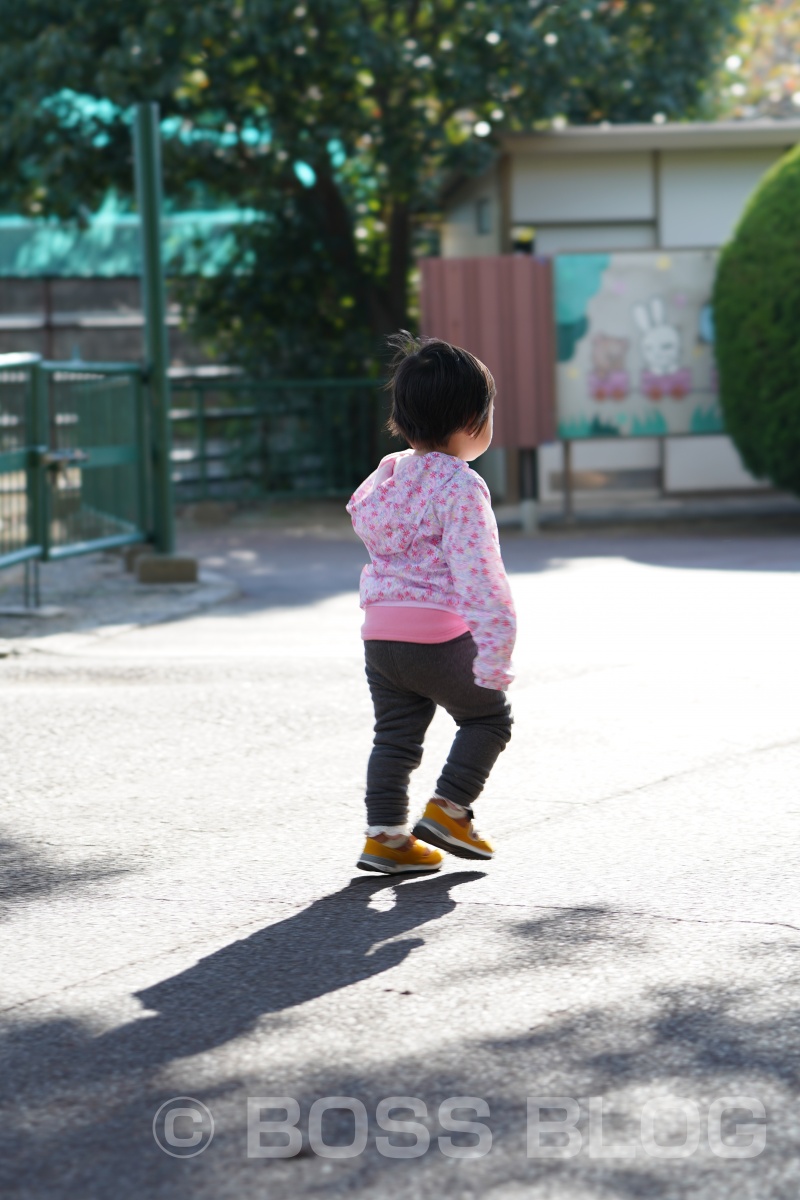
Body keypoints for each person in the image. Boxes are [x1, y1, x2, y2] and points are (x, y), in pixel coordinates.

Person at [346, 333, 515, 875]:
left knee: (394, 736)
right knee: (488, 718)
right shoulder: (462, 487)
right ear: (472, 422)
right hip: (439, 638)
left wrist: (393, 462)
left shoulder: (388, 480)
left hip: (381, 639)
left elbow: (357, 508)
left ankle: (385, 837)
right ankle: (450, 808)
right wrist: (495, 652)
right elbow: (480, 574)